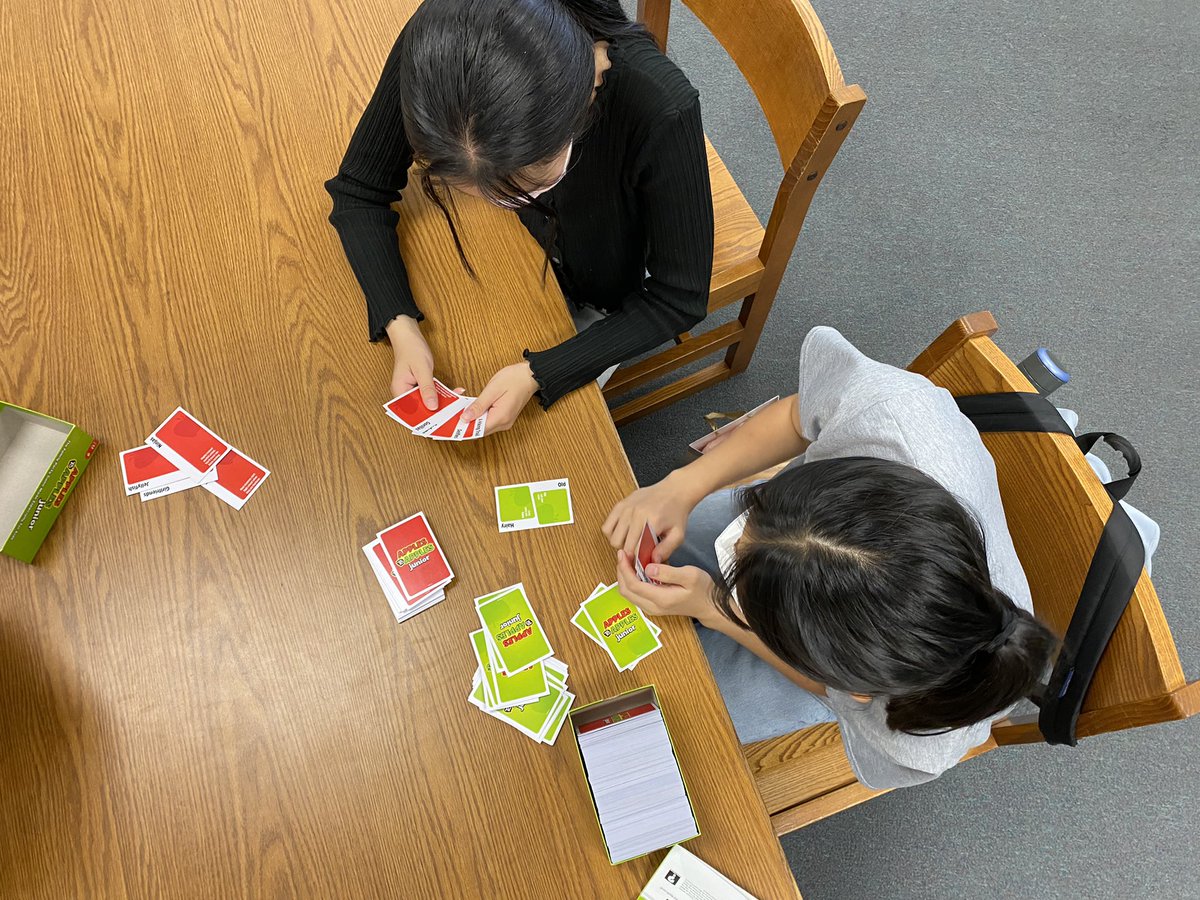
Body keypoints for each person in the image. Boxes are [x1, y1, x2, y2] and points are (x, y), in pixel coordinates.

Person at [603, 326, 1059, 789]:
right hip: (821, 586)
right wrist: (682, 486)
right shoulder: (890, 411)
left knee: (663, 713)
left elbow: (830, 689)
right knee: (620, 551)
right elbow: (796, 417)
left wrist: (717, 612)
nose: (733, 545)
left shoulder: (914, 740)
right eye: (755, 515)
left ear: (853, 685)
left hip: (853, 659)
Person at [325, 0, 714, 434]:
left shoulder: (662, 107)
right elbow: (358, 191)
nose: (502, 201)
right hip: (519, 257)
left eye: (523, 189)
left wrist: (540, 373)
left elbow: (679, 298)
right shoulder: (447, 42)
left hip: (601, 287)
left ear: (583, 100)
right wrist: (400, 325)